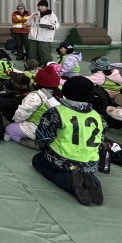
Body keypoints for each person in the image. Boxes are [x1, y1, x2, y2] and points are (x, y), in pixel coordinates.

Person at [32, 76, 104, 205]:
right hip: (91, 162)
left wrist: (43, 148)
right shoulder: (98, 116)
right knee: (80, 167)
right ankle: (91, 181)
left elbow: (43, 138)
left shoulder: (56, 112)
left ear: (64, 91)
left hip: (62, 158)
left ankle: (68, 180)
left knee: (37, 161)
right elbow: (101, 138)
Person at [4, 65, 62, 149]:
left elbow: (21, 114)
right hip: (56, 129)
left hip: (38, 127)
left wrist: (16, 121)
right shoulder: (60, 94)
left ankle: (37, 144)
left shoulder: (36, 96)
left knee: (10, 129)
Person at [26, 0, 60, 65]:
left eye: (42, 6)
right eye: (39, 6)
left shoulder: (52, 15)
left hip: (45, 38)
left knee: (45, 55)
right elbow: (28, 22)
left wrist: (52, 27)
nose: (40, 7)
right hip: (33, 37)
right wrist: (29, 22)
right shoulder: (34, 14)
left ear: (46, 7)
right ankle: (33, 66)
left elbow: (57, 25)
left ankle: (46, 67)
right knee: (33, 54)